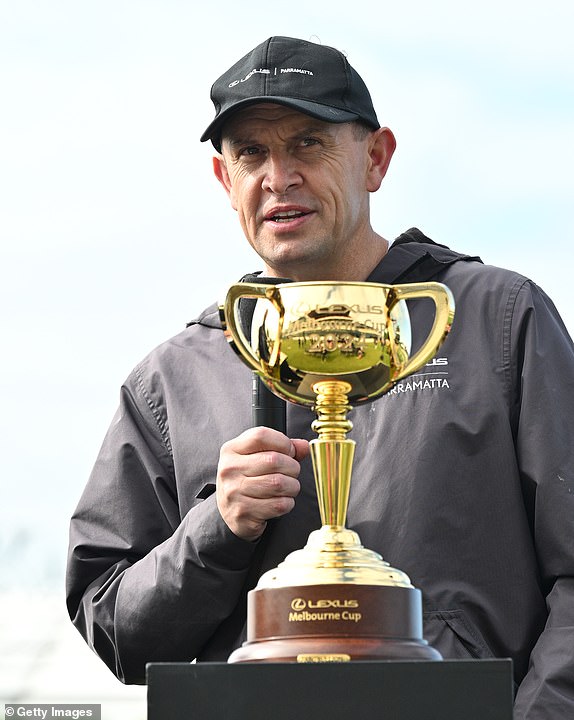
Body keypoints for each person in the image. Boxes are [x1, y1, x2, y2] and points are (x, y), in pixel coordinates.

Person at [66, 36, 574, 718]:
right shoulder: (174, 379)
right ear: (225, 181)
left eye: (307, 143)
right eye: (251, 153)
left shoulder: (494, 320)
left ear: (375, 158)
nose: (278, 177)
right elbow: (112, 627)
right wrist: (216, 527)